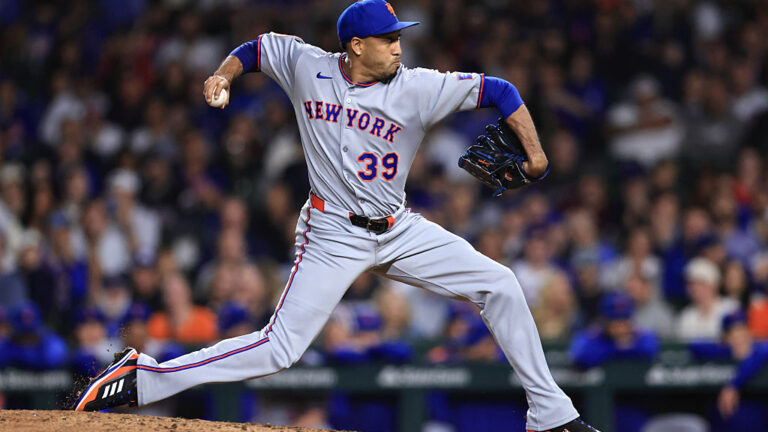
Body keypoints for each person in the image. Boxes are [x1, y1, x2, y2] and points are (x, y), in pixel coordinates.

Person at [73, 2, 598, 431]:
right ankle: (144, 378)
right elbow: (256, 49)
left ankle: (549, 414)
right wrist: (221, 75)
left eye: (399, 36)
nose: (399, 45)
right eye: (388, 37)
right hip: (331, 234)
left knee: (501, 284)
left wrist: (536, 156)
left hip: (398, 229)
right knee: (280, 348)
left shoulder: (418, 86)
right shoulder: (309, 66)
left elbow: (500, 91)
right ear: (356, 46)